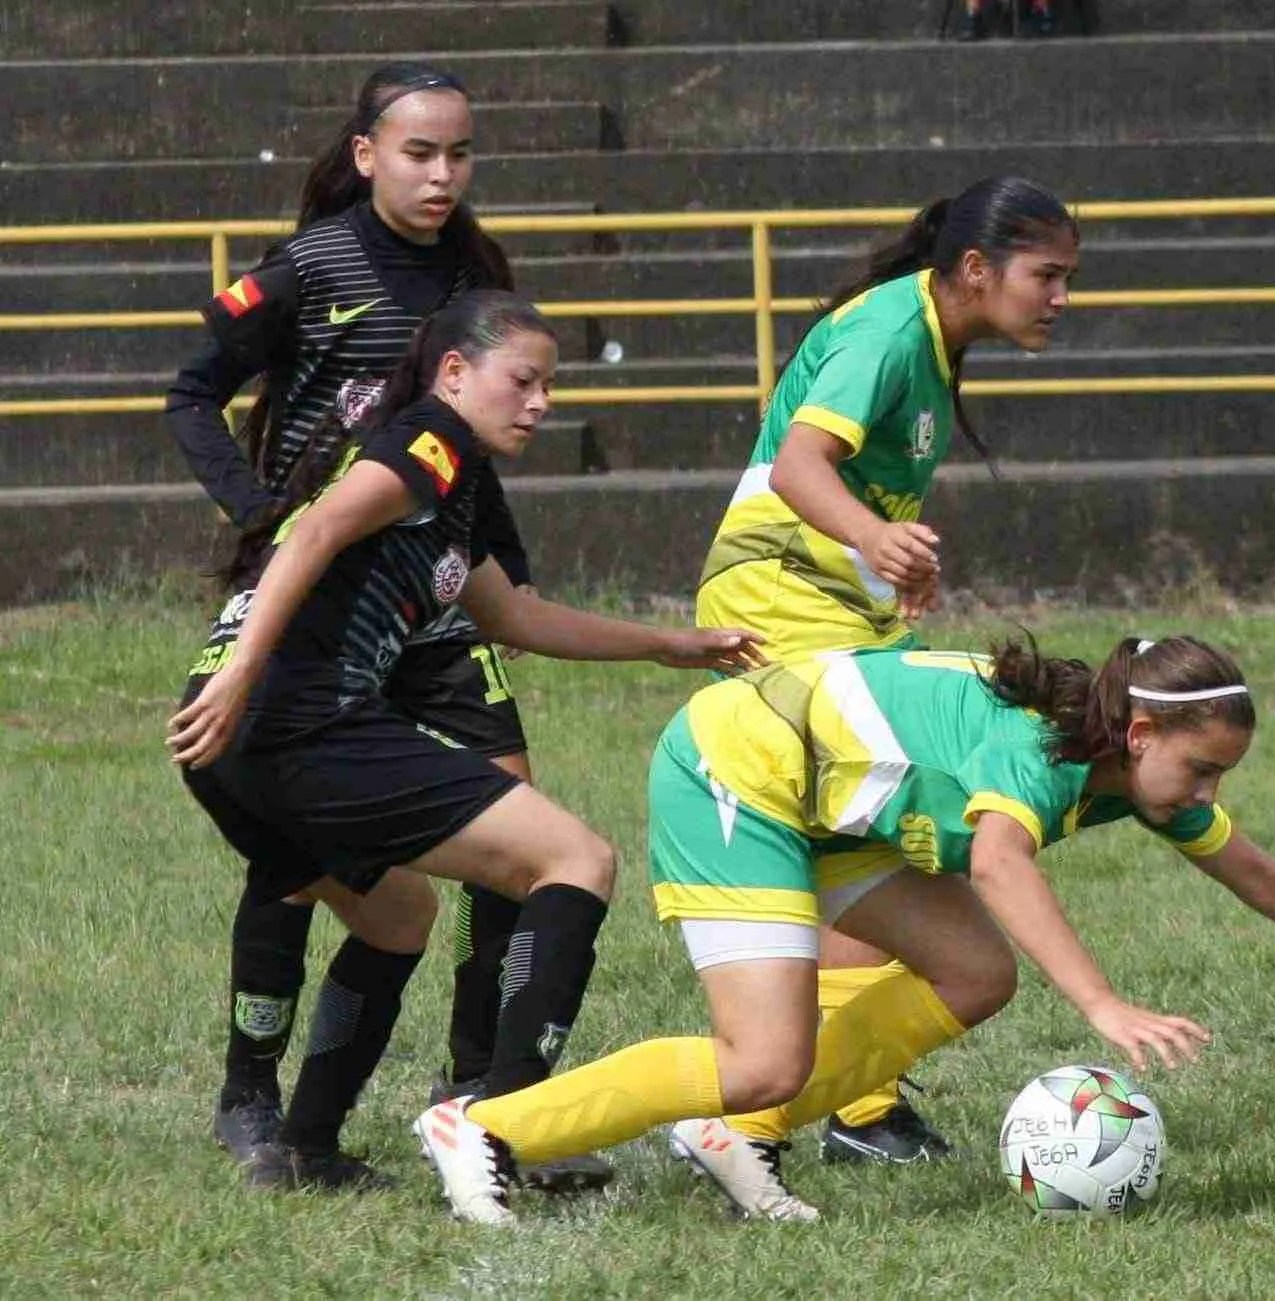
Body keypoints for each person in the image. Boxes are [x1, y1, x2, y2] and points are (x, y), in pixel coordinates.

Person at [414, 635, 1275, 1223]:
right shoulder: (1043, 752)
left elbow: (1254, 869)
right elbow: (996, 857)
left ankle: (735, 1130)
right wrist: (1101, 1000)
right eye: (1203, 766)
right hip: (734, 769)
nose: (1206, 789)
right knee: (759, 1055)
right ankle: (490, 1125)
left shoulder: (1132, 769)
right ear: (1137, 730)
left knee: (974, 971)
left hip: (828, 801)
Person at [169, 290, 764, 1199]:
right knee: (576, 859)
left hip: (238, 742)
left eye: (550, 386)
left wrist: (673, 644)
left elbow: (513, 615)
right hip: (295, 720)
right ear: (455, 372)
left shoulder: (456, 481)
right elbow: (319, 529)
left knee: (400, 914)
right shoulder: (428, 443)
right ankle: (510, 1123)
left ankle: (305, 1147)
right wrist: (246, 672)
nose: (541, 402)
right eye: (523, 380)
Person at [163, 63, 597, 1187]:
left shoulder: (477, 274)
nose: (442, 173)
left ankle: (482, 1098)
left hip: (436, 598)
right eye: (419, 152)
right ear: (366, 154)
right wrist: (262, 515)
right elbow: (189, 391)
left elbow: (480, 439)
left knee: (520, 846)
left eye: (459, 154)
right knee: (308, 845)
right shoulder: (310, 266)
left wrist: (506, 580)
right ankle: (252, 1088)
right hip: (329, 582)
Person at [694, 176, 1079, 1162]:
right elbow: (797, 469)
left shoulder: (932, 337)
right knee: (877, 823)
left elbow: (854, 491)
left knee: (876, 837)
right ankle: (792, 1102)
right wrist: (874, 533)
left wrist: (887, 563)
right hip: (770, 605)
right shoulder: (887, 335)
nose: (1060, 296)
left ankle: (850, 1100)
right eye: (1049, 275)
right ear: (978, 269)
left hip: (820, 604)